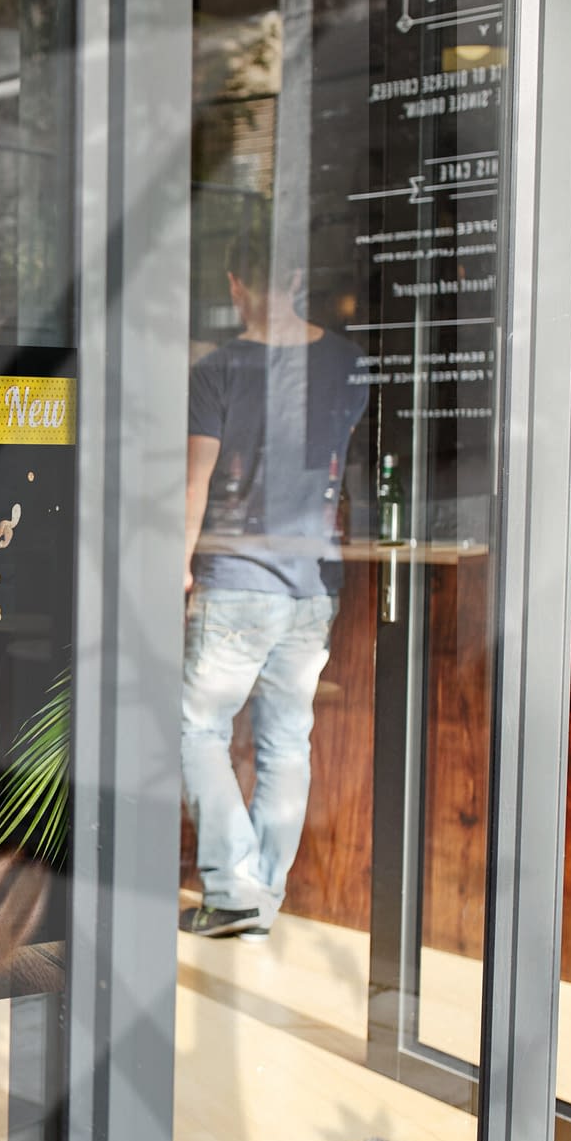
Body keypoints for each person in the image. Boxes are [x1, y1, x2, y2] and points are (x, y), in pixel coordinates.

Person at [179, 215, 367, 940]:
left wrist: (178, 564)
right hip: (313, 583)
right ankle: (260, 897)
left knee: (197, 726)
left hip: (237, 578)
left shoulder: (218, 369)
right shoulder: (348, 362)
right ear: (295, 279)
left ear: (235, 285)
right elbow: (337, 463)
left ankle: (234, 891)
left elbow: (196, 482)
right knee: (288, 739)